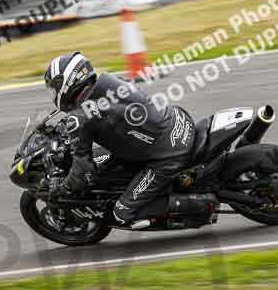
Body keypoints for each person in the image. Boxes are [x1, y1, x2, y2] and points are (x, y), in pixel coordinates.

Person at [44, 51, 196, 229]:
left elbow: (83, 172)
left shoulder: (80, 118)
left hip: (169, 154)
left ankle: (199, 206)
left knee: (122, 213)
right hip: (177, 121)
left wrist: (61, 190)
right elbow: (104, 114)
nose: (53, 94)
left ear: (66, 84)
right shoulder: (108, 82)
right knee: (108, 165)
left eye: (54, 89)